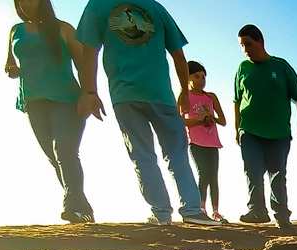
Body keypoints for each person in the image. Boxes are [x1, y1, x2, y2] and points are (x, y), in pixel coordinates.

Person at [76, 0, 218, 226]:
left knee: (142, 155)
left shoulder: (98, 5)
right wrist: (184, 91)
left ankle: (161, 213)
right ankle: (192, 210)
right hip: (160, 93)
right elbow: (178, 55)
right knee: (177, 152)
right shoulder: (155, 7)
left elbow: (89, 52)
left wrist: (90, 91)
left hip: (125, 95)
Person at [6, 0, 96, 225]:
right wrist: (13, 70)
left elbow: (83, 64)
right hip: (33, 102)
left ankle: (72, 206)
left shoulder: (63, 29)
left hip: (66, 100)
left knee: (64, 151)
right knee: (55, 158)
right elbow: (12, 63)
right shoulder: (15, 31)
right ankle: (82, 210)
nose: (25, 3)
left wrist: (89, 94)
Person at [234, 24, 297, 228]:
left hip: (278, 133)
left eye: (248, 44)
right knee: (252, 170)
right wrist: (237, 128)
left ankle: (281, 215)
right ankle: (257, 210)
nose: (245, 49)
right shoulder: (242, 68)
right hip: (249, 130)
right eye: (242, 45)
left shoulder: (280, 66)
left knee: (277, 173)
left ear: (260, 42)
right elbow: (237, 100)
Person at [184, 60, 227, 223]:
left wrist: (211, 118)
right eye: (197, 76)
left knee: (213, 176)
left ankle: (216, 211)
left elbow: (223, 120)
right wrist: (200, 120)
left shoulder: (211, 97)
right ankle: (201, 208)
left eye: (203, 77)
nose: (201, 80)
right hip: (196, 142)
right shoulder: (185, 96)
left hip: (213, 142)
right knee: (203, 174)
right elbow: (180, 120)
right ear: (188, 77)